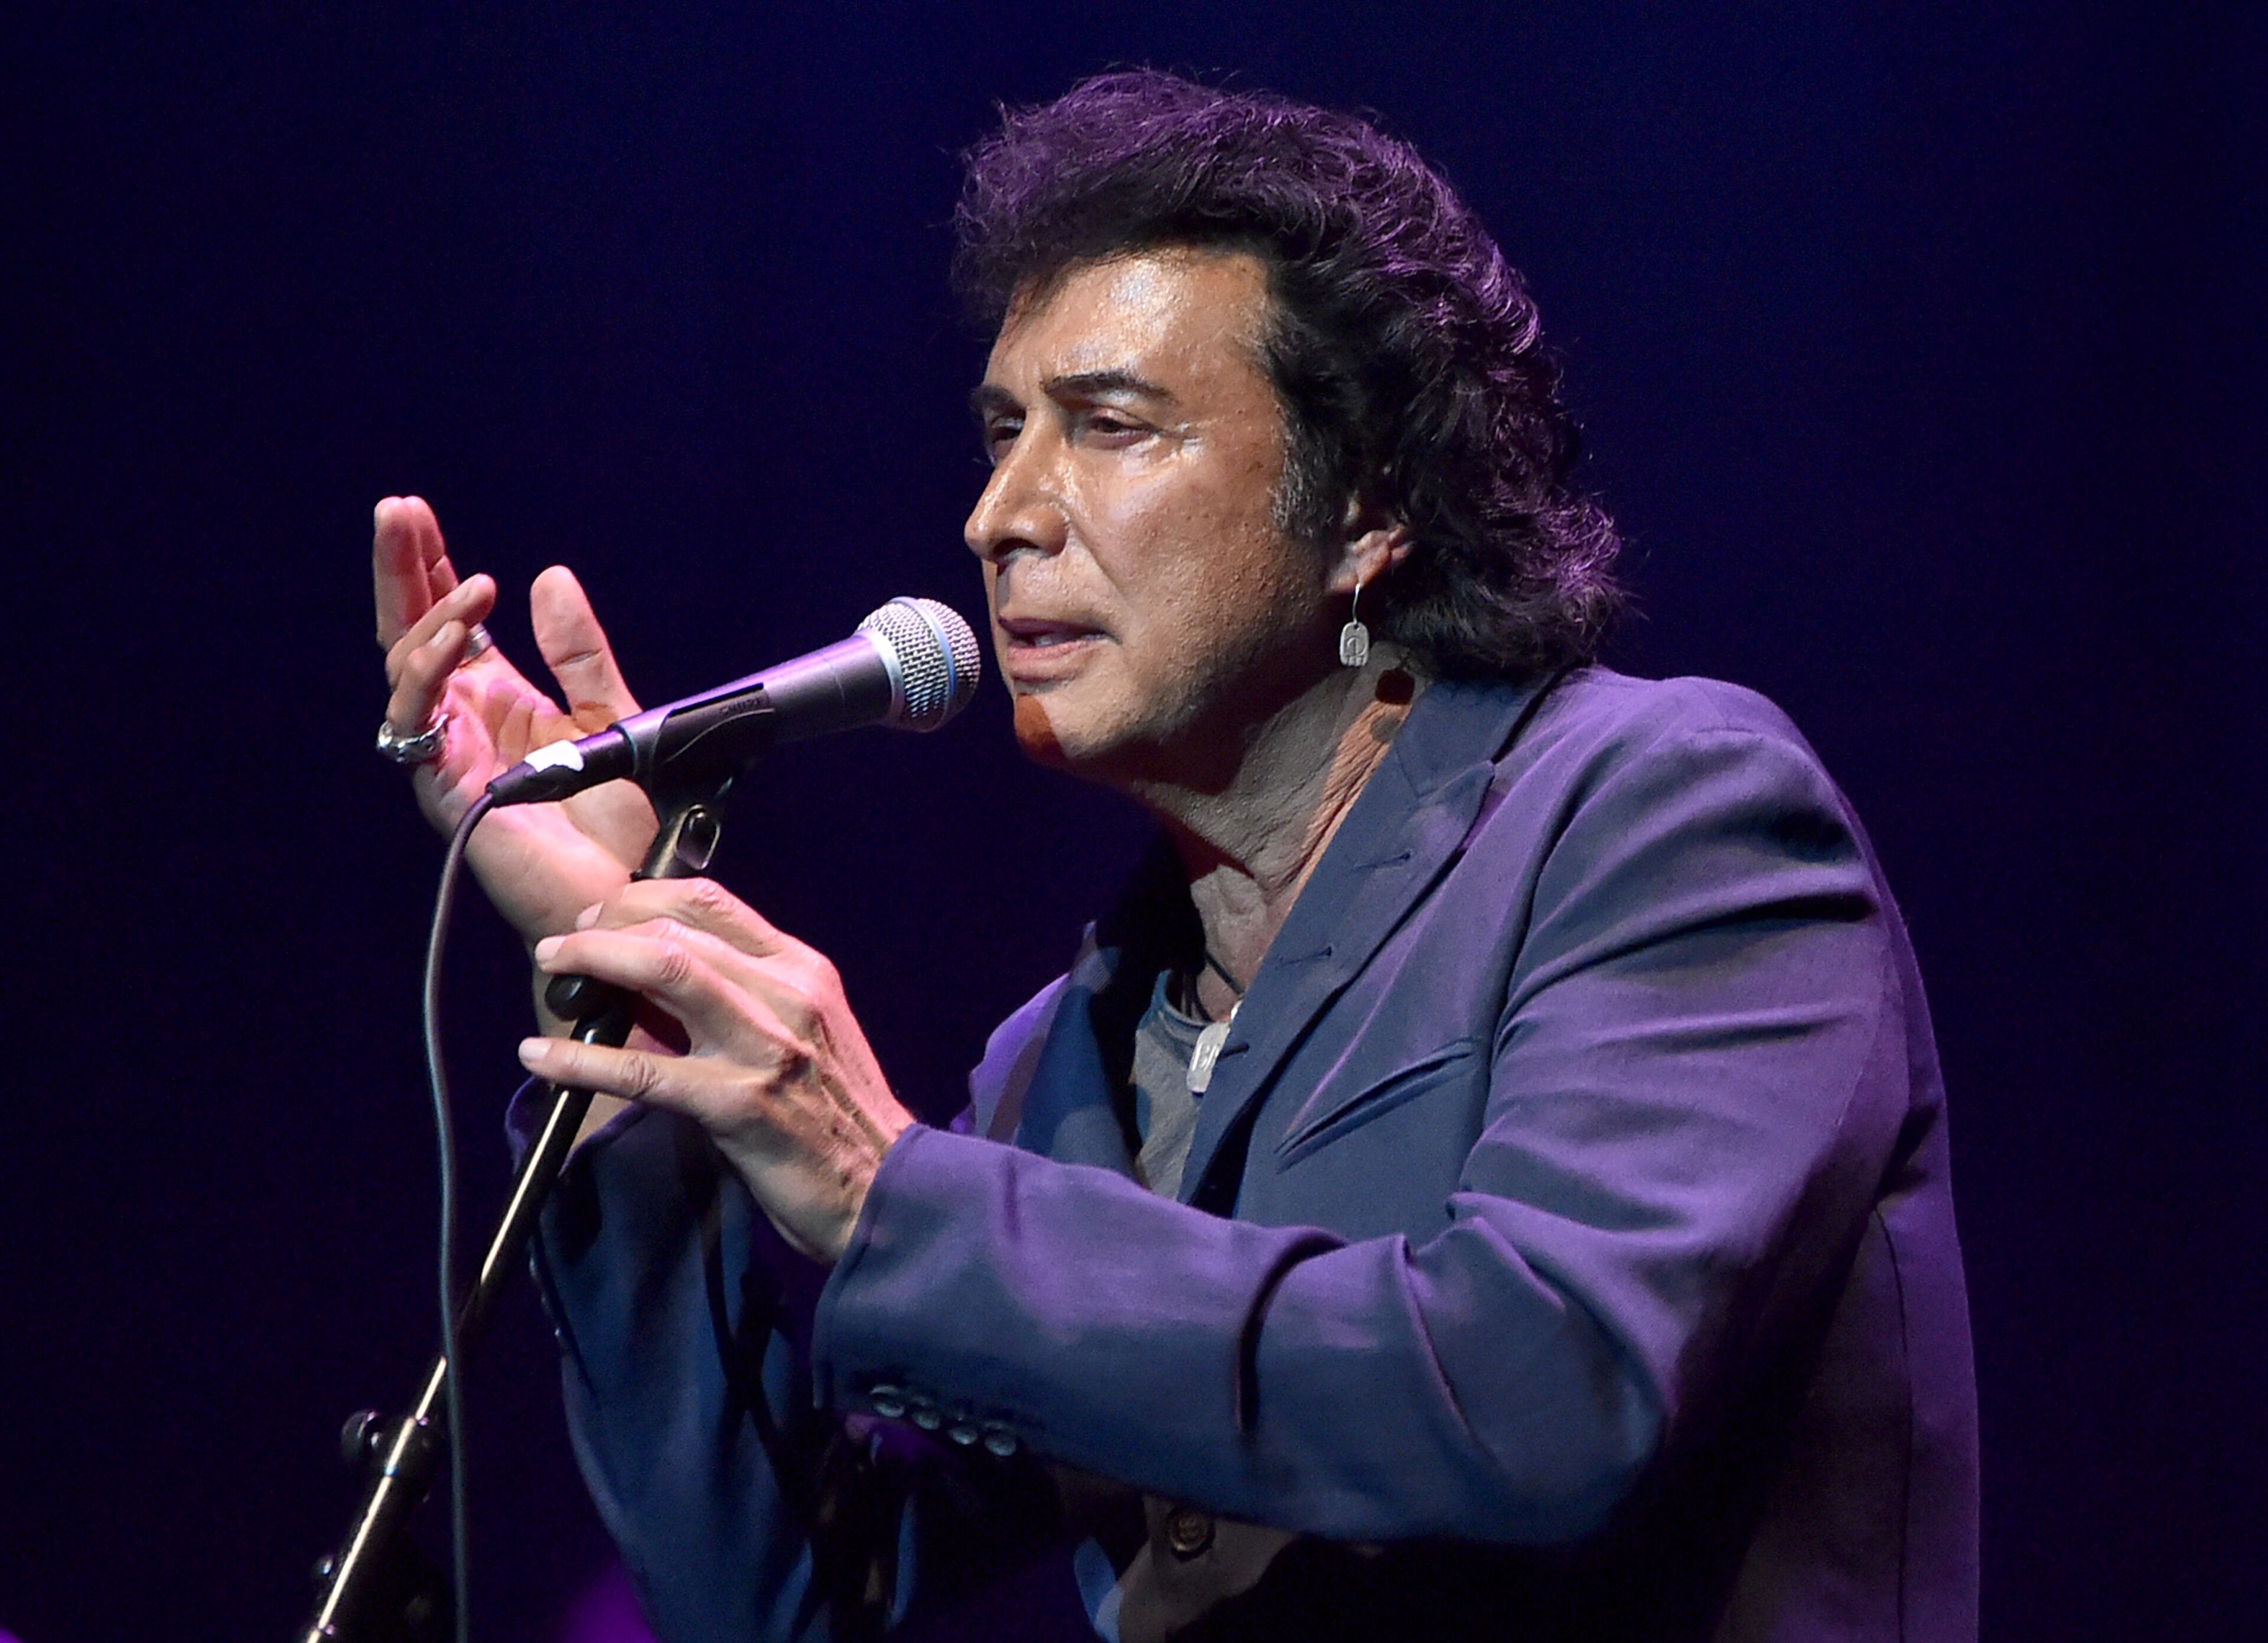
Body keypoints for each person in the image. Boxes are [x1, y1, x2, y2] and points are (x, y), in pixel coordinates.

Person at [371, 73, 1976, 1643]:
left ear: (1367, 501)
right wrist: (627, 992)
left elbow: (1548, 1391)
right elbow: (785, 1596)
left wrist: (885, 1191)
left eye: (1110, 427)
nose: (1000, 514)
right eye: (1003, 433)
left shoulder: (1661, 816)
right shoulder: (1071, 1053)